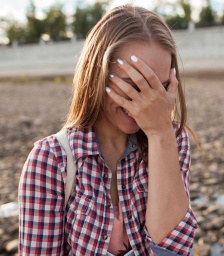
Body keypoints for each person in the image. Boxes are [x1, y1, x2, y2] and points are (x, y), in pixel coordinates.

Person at [18, 4, 198, 256]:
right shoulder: (51, 159)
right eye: (133, 84)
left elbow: (175, 252)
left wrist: (160, 135)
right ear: (97, 74)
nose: (148, 103)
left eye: (161, 88)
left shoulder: (173, 140)